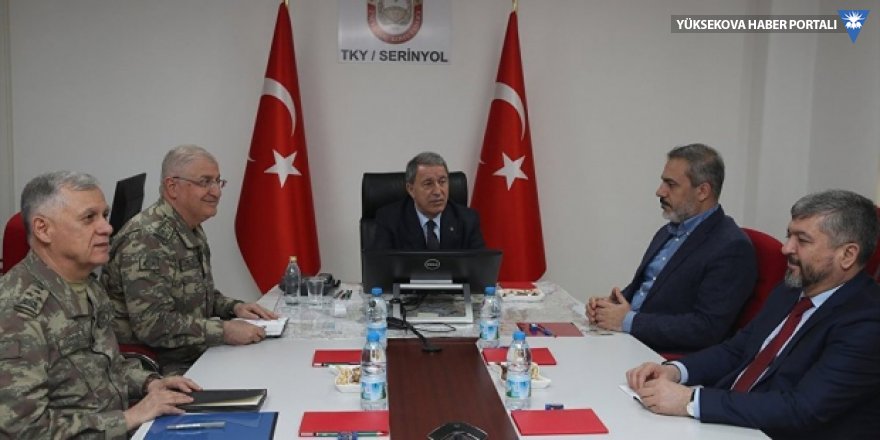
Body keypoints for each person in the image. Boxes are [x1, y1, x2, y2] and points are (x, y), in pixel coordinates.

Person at [626, 189, 880, 439]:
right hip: (733, 421)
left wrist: (691, 401)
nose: (786, 249)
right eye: (789, 236)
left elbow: (803, 409)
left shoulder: (867, 322)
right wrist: (677, 371)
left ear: (847, 255)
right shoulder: (791, 289)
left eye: (802, 241)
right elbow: (737, 350)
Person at [0, 171, 200, 437]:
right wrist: (130, 417)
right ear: (43, 229)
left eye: (104, 215)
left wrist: (149, 383)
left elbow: (103, 367)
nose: (107, 228)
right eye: (88, 218)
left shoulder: (87, 284)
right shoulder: (16, 313)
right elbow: (23, 430)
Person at [101, 145, 277, 375]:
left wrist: (234, 307)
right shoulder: (147, 238)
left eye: (218, 181)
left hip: (191, 352)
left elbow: (195, 295)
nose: (216, 192)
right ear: (172, 187)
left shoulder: (188, 225)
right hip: (157, 368)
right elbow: (153, 325)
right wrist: (224, 330)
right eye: (205, 182)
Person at [586, 144, 757, 353]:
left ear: (702, 191)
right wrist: (608, 306)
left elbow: (707, 328)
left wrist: (627, 321)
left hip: (661, 355)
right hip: (629, 339)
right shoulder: (669, 230)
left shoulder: (731, 247)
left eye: (671, 184)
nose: (660, 191)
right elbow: (647, 288)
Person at [369, 151, 485, 250]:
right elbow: (381, 266)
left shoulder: (467, 220)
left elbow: (480, 265)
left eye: (442, 182)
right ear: (411, 189)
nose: (437, 191)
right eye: (428, 184)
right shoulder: (389, 220)